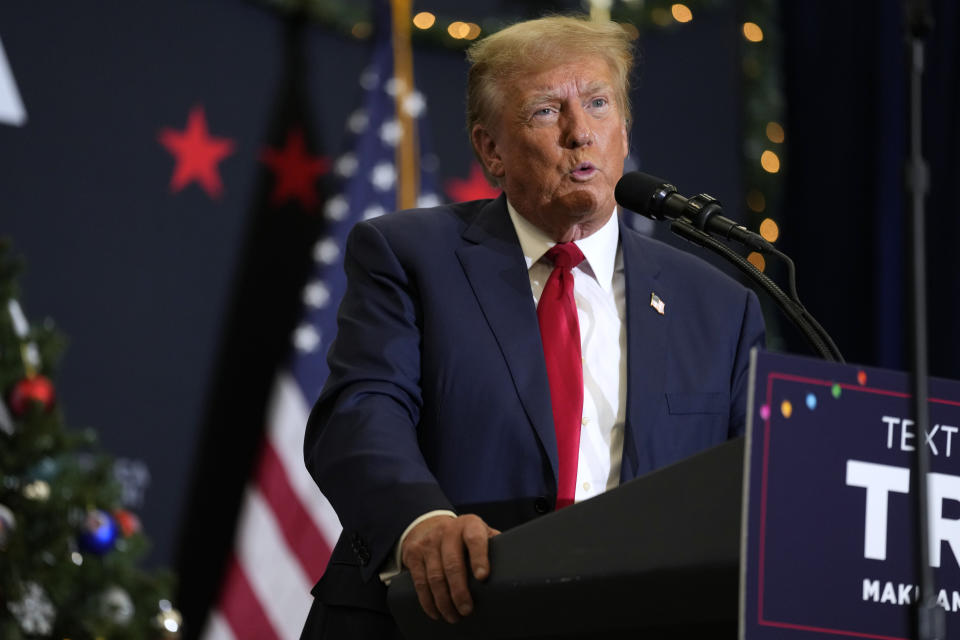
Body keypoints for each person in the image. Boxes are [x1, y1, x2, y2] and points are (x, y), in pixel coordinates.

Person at [301, 14, 765, 639]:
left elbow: (748, 491)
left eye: (599, 104)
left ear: (624, 131)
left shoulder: (719, 306)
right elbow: (361, 411)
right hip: (443, 616)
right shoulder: (409, 256)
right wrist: (422, 524)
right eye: (546, 112)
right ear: (491, 148)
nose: (581, 134)